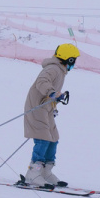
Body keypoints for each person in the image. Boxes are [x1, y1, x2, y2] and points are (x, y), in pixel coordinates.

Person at [21, 43, 79, 189]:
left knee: (53, 138)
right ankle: (33, 173)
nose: (74, 63)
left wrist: (53, 104)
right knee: (43, 139)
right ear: (68, 59)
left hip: (47, 109)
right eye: (74, 59)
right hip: (37, 108)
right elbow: (42, 82)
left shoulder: (60, 70)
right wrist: (52, 93)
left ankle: (46, 172)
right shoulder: (52, 69)